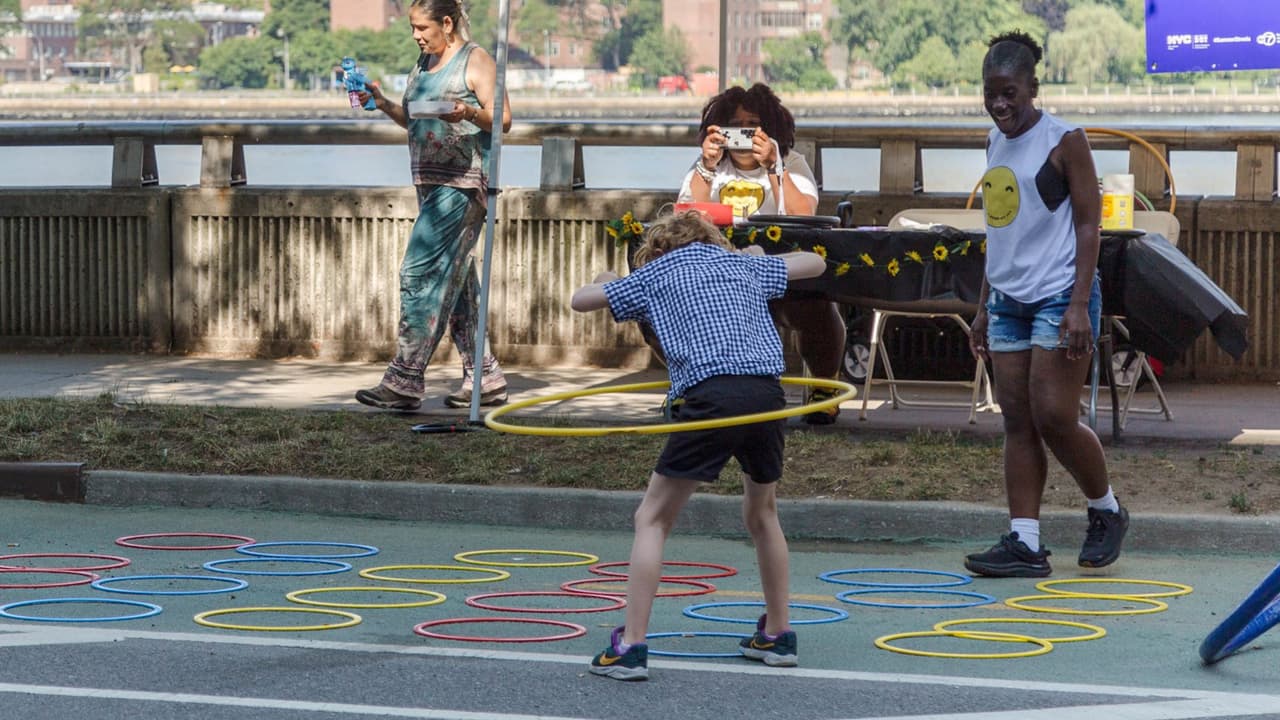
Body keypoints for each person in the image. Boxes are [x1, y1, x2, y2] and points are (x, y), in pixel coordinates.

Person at [571, 211, 825, 681]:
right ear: (711, 239)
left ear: (661, 248)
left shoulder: (656, 272)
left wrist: (608, 279)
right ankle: (778, 634)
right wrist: (755, 255)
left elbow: (580, 301)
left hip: (711, 394)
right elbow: (814, 263)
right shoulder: (742, 266)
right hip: (766, 396)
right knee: (763, 513)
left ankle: (631, 645)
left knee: (652, 517)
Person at [964, 30, 1128, 578]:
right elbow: (998, 229)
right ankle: (1025, 543)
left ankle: (1106, 510)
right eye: (991, 93)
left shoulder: (1065, 141)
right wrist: (984, 306)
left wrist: (1080, 303)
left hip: (1061, 293)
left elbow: (1089, 224)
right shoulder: (993, 141)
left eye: (1009, 91)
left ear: (1033, 86)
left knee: (1055, 415)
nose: (1000, 103)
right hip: (1008, 297)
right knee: (1017, 420)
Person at [353, 0, 513, 412]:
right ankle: (486, 377)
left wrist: (469, 112)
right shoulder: (422, 64)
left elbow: (503, 119)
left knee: (418, 273)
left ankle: (405, 378)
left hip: (462, 186)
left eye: (422, 28)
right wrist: (383, 103)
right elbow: (416, 118)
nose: (416, 36)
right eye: (412, 28)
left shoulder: (474, 61)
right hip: (429, 184)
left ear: (447, 22)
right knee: (458, 286)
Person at [678, 83, 848, 424]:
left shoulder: (792, 164)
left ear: (771, 128)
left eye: (752, 125)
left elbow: (804, 214)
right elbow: (684, 216)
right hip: (720, 275)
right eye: (733, 125)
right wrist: (707, 166)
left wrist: (774, 166)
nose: (742, 133)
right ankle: (690, 388)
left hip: (781, 273)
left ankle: (823, 386)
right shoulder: (709, 167)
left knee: (817, 303)